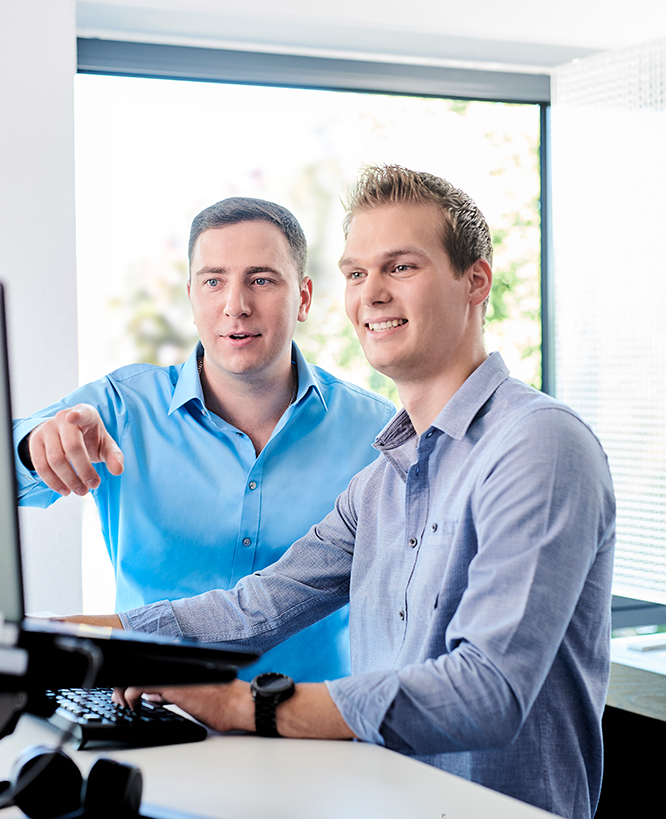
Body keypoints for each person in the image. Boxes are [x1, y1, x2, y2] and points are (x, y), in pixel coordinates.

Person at [72, 166, 615, 819]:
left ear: (475, 280)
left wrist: (242, 703)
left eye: (400, 267)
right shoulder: (381, 480)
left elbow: (487, 690)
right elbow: (257, 605)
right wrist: (63, 637)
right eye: (356, 274)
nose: (371, 294)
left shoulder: (538, 445)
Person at [14, 196, 396, 682]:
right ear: (191, 297)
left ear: (303, 298)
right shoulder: (122, 409)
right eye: (214, 281)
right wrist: (35, 447)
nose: (235, 306)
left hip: (308, 729)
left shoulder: (377, 433)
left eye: (261, 280)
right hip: (148, 713)